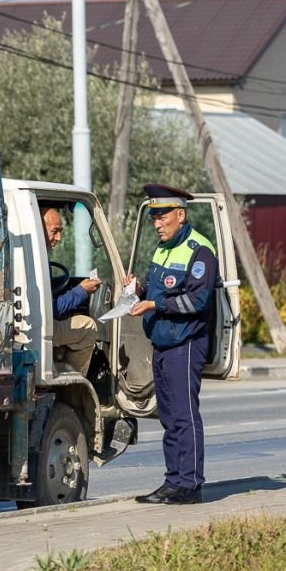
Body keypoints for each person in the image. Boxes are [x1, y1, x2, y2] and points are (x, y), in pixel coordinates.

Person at [126, 184, 219, 506]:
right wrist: (138, 290)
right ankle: (173, 481)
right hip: (163, 343)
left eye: (162, 215)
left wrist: (154, 305)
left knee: (184, 415)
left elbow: (198, 299)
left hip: (186, 342)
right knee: (168, 416)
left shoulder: (199, 250)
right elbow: (155, 290)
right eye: (153, 216)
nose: (157, 222)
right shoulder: (162, 248)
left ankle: (190, 485)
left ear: (180, 214)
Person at [40, 203, 101, 376]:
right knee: (88, 326)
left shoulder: (33, 255)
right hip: (41, 327)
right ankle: (73, 387)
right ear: (40, 228)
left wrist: (74, 284)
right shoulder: (37, 259)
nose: (59, 238)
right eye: (55, 231)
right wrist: (81, 291)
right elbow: (55, 310)